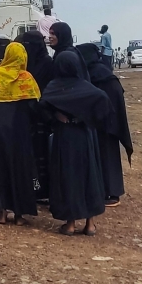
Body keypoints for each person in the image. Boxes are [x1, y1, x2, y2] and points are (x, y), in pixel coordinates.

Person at [41, 51, 110, 236]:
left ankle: (70, 223)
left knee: (68, 176)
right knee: (89, 175)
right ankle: (90, 224)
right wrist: (87, 118)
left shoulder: (55, 86)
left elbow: (42, 106)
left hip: (65, 136)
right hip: (85, 136)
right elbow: (103, 101)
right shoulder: (86, 87)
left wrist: (56, 116)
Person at [0, 43, 41, 225]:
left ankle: (1, 213)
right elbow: (36, 107)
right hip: (20, 134)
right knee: (20, 169)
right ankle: (19, 215)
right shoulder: (26, 78)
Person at [77, 43, 133, 207]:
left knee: (105, 157)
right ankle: (107, 191)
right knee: (107, 157)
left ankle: (112, 193)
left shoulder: (97, 75)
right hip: (109, 123)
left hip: (104, 124)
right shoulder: (104, 72)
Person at [17, 30, 56, 202]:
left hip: (41, 115)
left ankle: (44, 189)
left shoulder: (46, 63)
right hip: (28, 115)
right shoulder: (29, 63)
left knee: (41, 152)